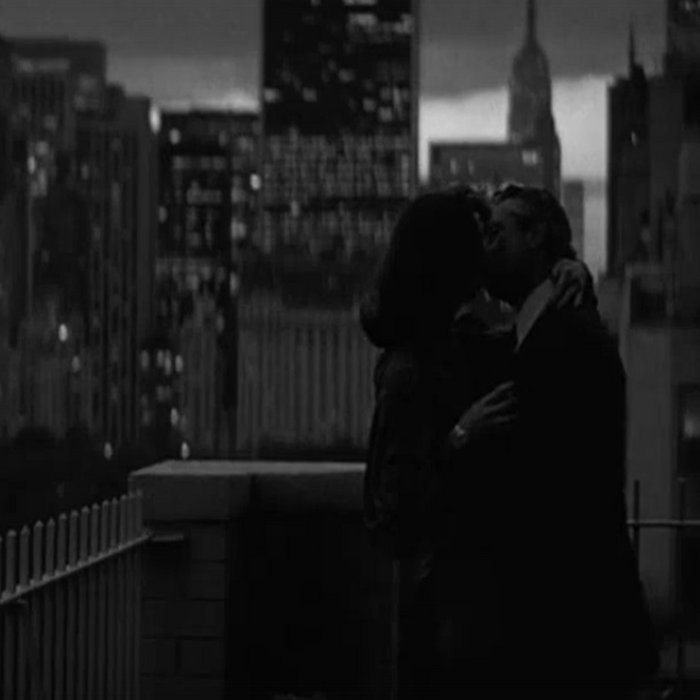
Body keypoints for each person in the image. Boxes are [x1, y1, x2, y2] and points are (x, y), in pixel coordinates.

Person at [360, 187, 591, 698]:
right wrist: (461, 438)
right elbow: (392, 514)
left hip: (465, 620)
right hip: (439, 627)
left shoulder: (451, 345)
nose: (486, 252)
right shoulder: (408, 372)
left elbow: (528, 340)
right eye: (477, 241)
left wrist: (569, 272)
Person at [457, 183, 659, 696]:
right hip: (571, 632)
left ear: (536, 236)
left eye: (498, 233)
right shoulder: (543, 334)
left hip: (568, 637)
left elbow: (548, 498)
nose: (487, 248)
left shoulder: (564, 341)